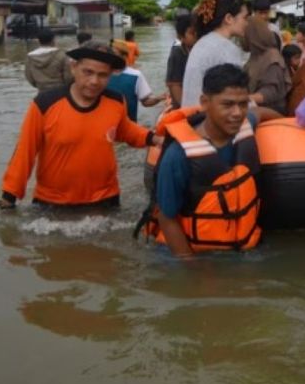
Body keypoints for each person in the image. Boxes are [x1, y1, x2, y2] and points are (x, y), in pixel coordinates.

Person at [0, 40, 155, 210]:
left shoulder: (116, 101)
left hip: (105, 198)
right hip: (53, 203)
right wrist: (9, 197)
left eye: (103, 75)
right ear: (73, 68)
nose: (94, 81)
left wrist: (155, 138)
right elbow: (25, 151)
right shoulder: (45, 104)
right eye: (88, 72)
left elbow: (125, 129)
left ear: (110, 75)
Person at [147, 64, 263, 256]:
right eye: (227, 105)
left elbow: (259, 114)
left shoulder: (244, 125)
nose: (237, 113)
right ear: (204, 102)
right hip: (193, 251)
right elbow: (167, 218)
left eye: (243, 104)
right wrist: (191, 265)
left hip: (241, 243)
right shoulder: (178, 156)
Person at [181, 0, 249, 108]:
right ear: (229, 19)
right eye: (245, 18)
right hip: (205, 115)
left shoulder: (203, 42)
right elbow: (237, 93)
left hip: (190, 113)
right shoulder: (227, 48)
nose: (247, 23)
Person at [108, 39, 167, 122]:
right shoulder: (103, 73)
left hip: (128, 124)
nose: (111, 57)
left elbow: (145, 101)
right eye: (110, 54)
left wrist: (159, 98)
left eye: (114, 54)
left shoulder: (135, 75)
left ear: (124, 56)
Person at [245, 17, 291, 115]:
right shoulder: (256, 55)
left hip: (270, 113)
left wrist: (244, 99)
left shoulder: (272, 58)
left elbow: (270, 92)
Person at [24, 28, 72, 93]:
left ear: (38, 41)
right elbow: (68, 77)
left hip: (41, 92)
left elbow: (29, 77)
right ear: (53, 40)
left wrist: (39, 85)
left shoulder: (30, 57)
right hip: (60, 92)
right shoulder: (62, 55)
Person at [165, 13, 197, 107]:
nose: (196, 36)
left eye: (198, 32)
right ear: (181, 36)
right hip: (184, 104)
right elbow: (174, 85)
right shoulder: (178, 52)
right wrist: (184, 107)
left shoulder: (193, 49)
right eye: (192, 33)